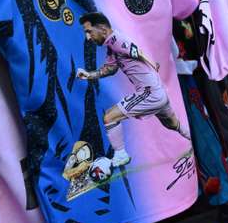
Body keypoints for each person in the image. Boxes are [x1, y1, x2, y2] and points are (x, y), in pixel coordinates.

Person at [77, 12, 190, 168]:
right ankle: (193, 140)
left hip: (149, 92)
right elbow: (109, 69)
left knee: (109, 117)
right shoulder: (111, 45)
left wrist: (153, 65)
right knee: (172, 124)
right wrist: (89, 75)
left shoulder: (117, 41)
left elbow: (138, 53)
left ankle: (120, 154)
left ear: (103, 29)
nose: (88, 37)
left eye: (89, 31)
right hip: (158, 90)